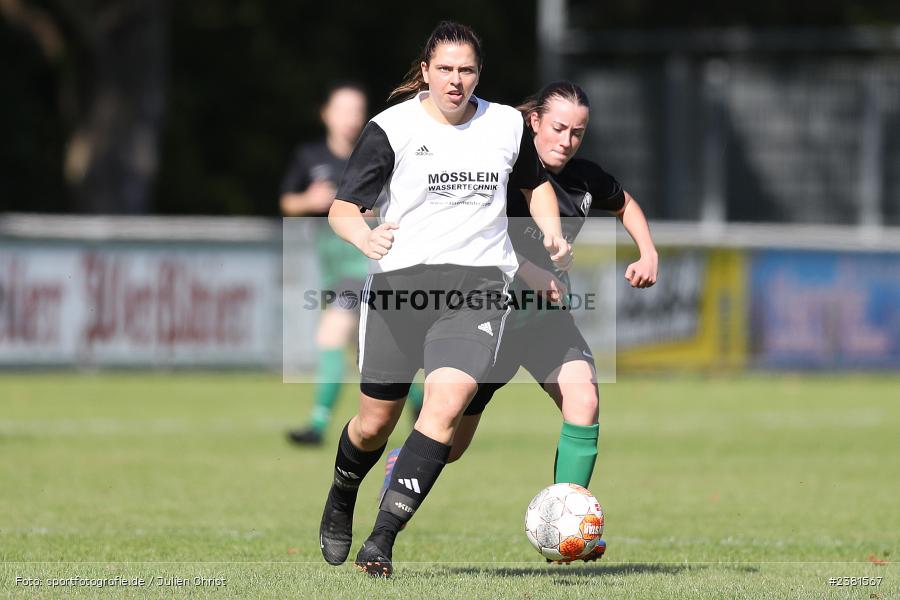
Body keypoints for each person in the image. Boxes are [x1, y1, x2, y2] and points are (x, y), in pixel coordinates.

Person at [317, 21, 571, 578]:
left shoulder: (505, 123)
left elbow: (535, 186)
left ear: (479, 73)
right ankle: (341, 494)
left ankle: (382, 539)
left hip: (478, 290)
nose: (457, 81)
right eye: (447, 69)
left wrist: (549, 232)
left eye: (468, 70)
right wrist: (365, 235)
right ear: (426, 71)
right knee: (372, 426)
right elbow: (342, 207)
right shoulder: (391, 128)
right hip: (398, 293)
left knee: (445, 407)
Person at [379, 81, 659, 563]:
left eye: (577, 132)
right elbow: (472, 238)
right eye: (557, 128)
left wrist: (648, 252)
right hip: (490, 321)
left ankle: (567, 522)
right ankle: (397, 474)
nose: (566, 141)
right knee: (450, 446)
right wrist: (528, 271)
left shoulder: (585, 178)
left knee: (584, 397)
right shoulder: (501, 172)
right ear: (533, 123)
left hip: (547, 323)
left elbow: (626, 203)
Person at [280, 83, 424, 446]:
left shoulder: (377, 154)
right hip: (335, 270)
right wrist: (310, 200)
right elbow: (287, 204)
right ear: (326, 113)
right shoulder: (310, 157)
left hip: (367, 267)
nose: (350, 118)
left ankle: (317, 424)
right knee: (377, 355)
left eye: (357, 110)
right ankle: (423, 411)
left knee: (331, 335)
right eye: (343, 110)